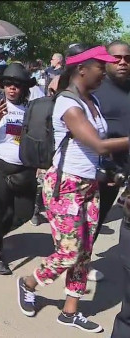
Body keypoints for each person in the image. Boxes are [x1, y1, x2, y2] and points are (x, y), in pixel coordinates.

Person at [16, 44, 127, 333]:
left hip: (89, 183)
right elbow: (99, 144)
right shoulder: (68, 103)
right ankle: (29, 282)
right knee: (69, 251)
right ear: (81, 70)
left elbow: (99, 151)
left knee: (85, 251)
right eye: (100, 67)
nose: (105, 72)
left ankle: (70, 311)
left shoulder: (93, 101)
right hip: (65, 184)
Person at [0, 63, 39, 275]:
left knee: (23, 212)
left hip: (24, 171)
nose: (12, 88)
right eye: (8, 84)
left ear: (23, 88)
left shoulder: (29, 110)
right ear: (3, 85)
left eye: (17, 85)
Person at [91, 41, 130, 283]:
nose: (123, 62)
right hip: (101, 170)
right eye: (117, 58)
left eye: (127, 58)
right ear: (107, 61)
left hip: (125, 171)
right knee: (92, 222)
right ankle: (78, 268)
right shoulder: (95, 90)